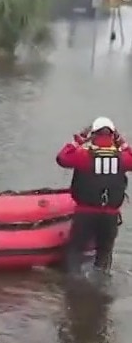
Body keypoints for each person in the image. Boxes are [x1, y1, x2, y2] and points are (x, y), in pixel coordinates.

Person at [56, 117, 132, 273]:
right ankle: (101, 287)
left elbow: (62, 158)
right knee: (104, 253)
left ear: (93, 135)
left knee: (75, 251)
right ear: (112, 136)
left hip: (85, 213)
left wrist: (79, 139)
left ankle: (73, 287)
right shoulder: (122, 159)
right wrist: (122, 142)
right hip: (110, 215)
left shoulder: (83, 157)